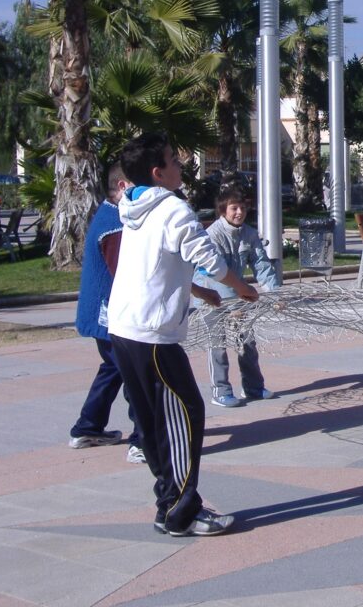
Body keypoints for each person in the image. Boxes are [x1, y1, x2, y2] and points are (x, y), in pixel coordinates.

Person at [108, 133, 259, 537]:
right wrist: (241, 287)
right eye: (175, 160)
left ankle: (169, 503)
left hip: (125, 329)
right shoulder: (173, 209)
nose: (181, 165)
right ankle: (182, 512)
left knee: (154, 420)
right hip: (154, 335)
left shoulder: (133, 206)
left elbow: (157, 260)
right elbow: (207, 256)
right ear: (159, 173)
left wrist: (197, 290)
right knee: (184, 415)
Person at [69, 162, 146, 463]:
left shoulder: (109, 214)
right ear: (123, 188)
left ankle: (87, 427)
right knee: (134, 374)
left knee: (113, 369)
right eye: (139, 187)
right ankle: (141, 440)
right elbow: (122, 273)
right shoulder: (114, 225)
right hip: (111, 315)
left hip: (104, 315)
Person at [195, 186, 280, 408]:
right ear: (223, 210)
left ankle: (253, 387)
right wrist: (232, 304)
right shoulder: (213, 235)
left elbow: (261, 265)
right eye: (234, 208)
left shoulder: (249, 234)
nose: (239, 212)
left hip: (238, 296)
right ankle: (221, 390)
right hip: (211, 296)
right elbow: (213, 272)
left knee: (247, 341)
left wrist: (275, 293)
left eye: (242, 208)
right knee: (218, 344)